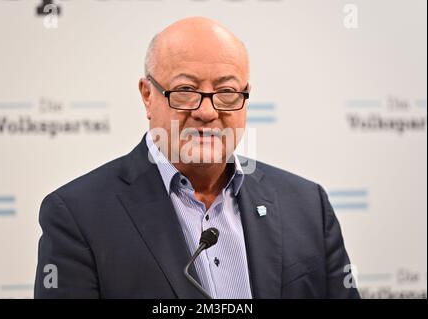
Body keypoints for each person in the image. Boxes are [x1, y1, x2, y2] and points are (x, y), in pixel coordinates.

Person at [34, 17, 360, 299]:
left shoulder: (306, 205)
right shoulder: (78, 215)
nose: (207, 111)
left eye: (227, 92)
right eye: (186, 90)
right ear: (148, 96)